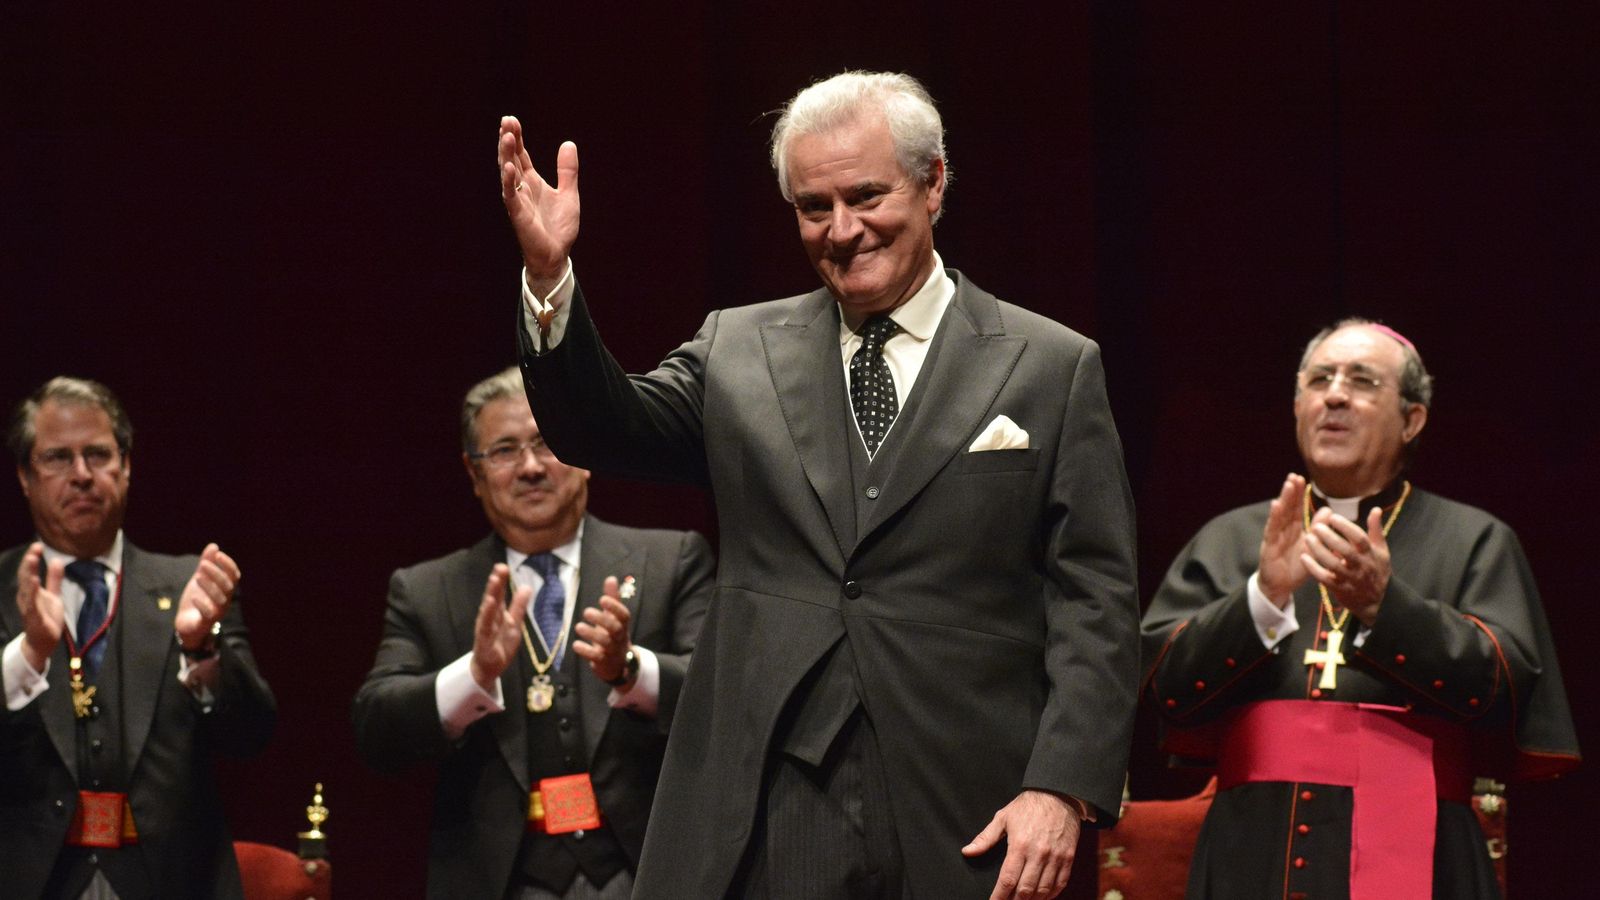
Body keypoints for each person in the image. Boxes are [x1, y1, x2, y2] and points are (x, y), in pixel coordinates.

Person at [496, 70, 1141, 900]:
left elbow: (1096, 600)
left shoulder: (1051, 365)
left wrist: (1061, 785)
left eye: (868, 196)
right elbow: (598, 427)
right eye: (813, 207)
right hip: (769, 798)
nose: (843, 230)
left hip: (970, 805)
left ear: (934, 181)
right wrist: (549, 281)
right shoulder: (739, 350)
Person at [1141, 320, 1580, 900]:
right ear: (1298, 405)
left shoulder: (1476, 539)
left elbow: (1507, 689)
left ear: (1412, 419)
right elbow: (1164, 687)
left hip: (1423, 847)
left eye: (1363, 380)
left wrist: (1385, 607)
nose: (1336, 394)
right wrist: (1263, 599)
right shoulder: (1230, 538)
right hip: (1252, 847)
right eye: (1319, 379)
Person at [351, 367, 714, 899]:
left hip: (646, 875)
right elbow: (375, 729)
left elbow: (724, 701)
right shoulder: (428, 590)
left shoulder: (673, 560)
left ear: (585, 457)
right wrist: (472, 677)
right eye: (503, 450)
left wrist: (629, 670)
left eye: (548, 444)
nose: (529, 467)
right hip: (497, 882)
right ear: (474, 477)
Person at [0, 376, 276, 899]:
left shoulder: (191, 586)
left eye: (98, 455)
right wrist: (29, 654)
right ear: (24, 476)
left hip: (171, 881)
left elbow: (251, 736)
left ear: (126, 466)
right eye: (58, 458)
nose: (81, 475)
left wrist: (202, 651)